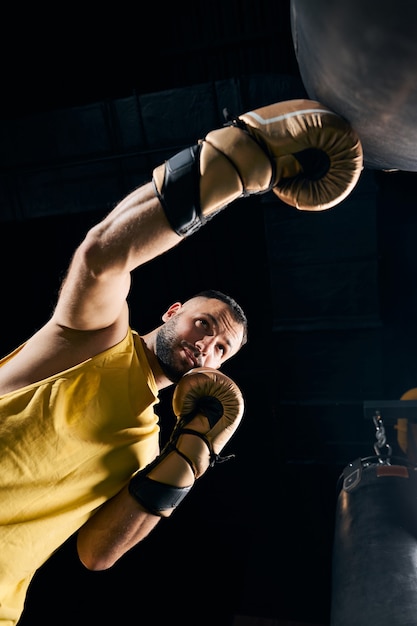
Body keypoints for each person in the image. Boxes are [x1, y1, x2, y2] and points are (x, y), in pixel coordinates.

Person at [0, 98, 363, 625]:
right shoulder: (98, 338)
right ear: (173, 311)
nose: (207, 347)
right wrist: (233, 163)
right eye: (204, 324)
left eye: (222, 351)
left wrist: (195, 452)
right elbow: (101, 254)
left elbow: (97, 554)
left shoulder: (151, 444)